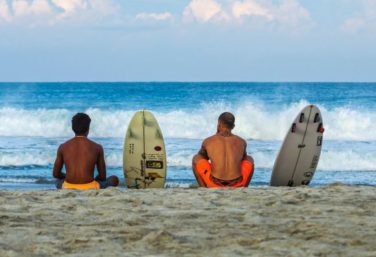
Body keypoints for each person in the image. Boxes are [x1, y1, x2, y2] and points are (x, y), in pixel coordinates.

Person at [53, 113, 119, 190]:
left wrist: (67, 176)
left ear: (72, 128)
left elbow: (56, 174)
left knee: (57, 181)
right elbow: (102, 176)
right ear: (88, 128)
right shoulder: (97, 147)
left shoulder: (62, 147)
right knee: (114, 179)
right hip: (90, 186)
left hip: (67, 186)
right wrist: (94, 179)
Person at [192, 112, 254, 188]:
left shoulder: (208, 141)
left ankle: (204, 188)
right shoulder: (242, 141)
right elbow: (243, 160)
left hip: (214, 183)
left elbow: (201, 157)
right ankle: (244, 187)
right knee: (249, 159)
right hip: (237, 183)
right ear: (233, 126)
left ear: (219, 124)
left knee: (196, 158)